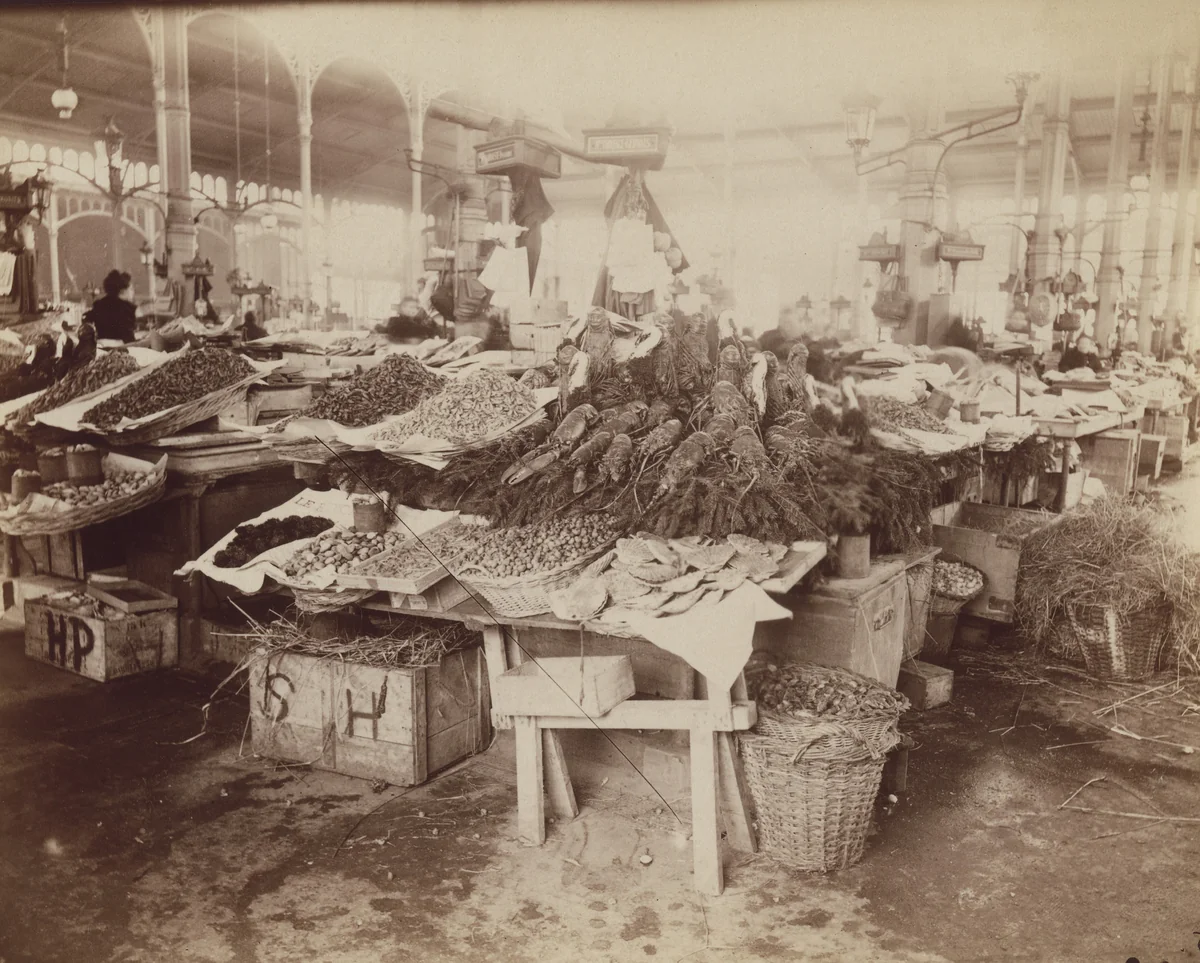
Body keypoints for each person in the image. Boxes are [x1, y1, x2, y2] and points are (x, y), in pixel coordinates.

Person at [84, 270, 138, 343]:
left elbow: (86, 318)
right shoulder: (128, 308)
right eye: (131, 289)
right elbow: (129, 340)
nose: (133, 292)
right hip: (121, 347)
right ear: (122, 291)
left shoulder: (99, 304)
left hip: (101, 346)